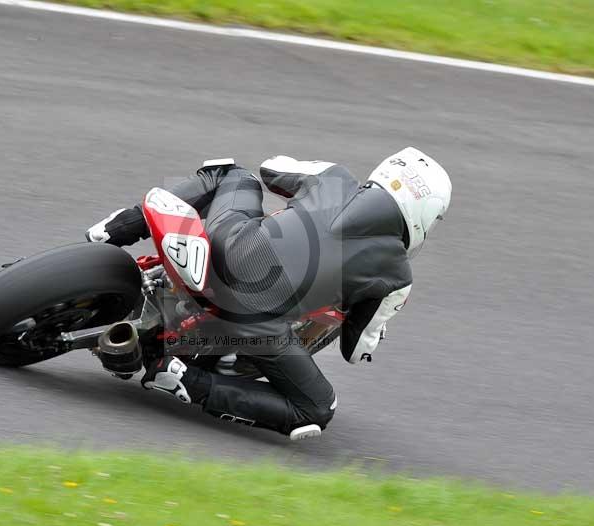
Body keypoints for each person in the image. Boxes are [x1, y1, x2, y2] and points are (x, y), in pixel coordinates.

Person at [86, 148, 452, 440]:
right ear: (426, 216)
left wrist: (310, 187)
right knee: (317, 409)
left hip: (224, 243)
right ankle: (182, 378)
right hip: (253, 322)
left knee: (231, 172)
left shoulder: (333, 177)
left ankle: (119, 227)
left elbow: (269, 168)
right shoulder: (397, 275)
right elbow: (355, 350)